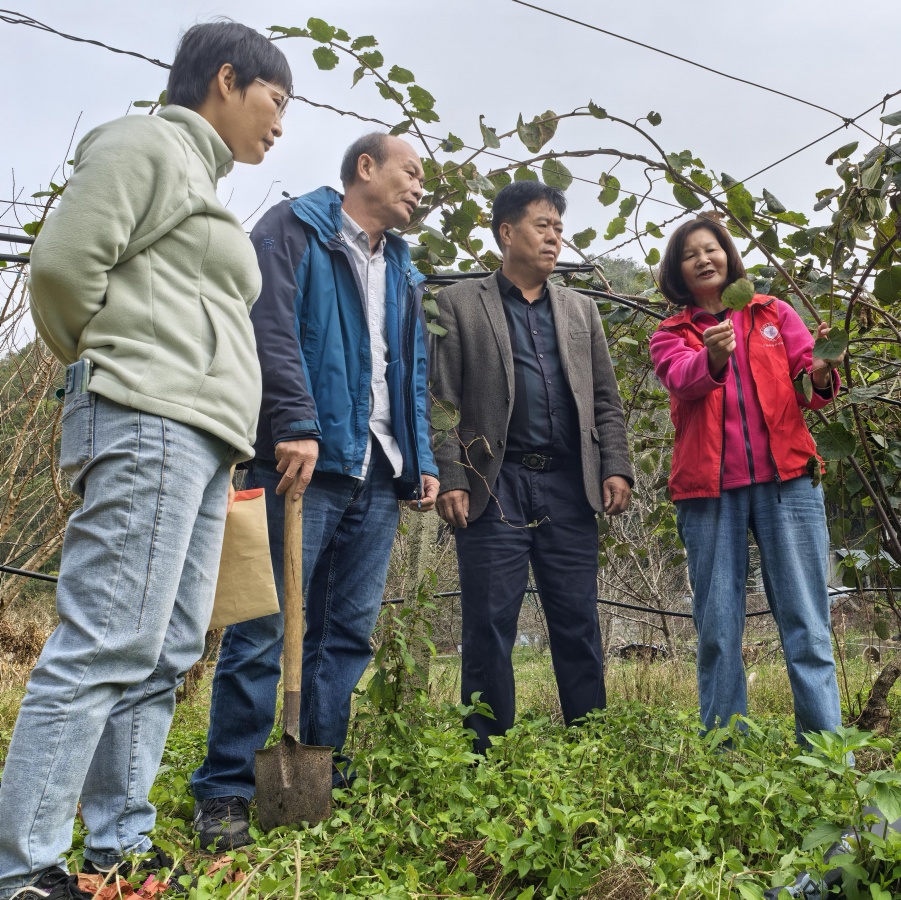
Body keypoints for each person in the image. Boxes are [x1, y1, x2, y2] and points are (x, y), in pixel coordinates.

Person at [0, 22, 291, 900]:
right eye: (275, 103)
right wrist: (110, 363)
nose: (280, 124)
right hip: (149, 416)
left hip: (200, 436)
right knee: (105, 641)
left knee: (164, 649)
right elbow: (59, 269)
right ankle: (23, 867)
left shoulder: (200, 184)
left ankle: (116, 845)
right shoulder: (144, 144)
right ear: (228, 80)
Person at [189, 133, 440, 849]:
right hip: (304, 459)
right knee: (264, 626)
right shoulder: (293, 229)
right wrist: (294, 421)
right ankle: (227, 788)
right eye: (411, 172)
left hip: (377, 467)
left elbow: (406, 370)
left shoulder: (403, 268)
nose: (420, 188)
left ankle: (316, 765)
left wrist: (419, 454)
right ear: (366, 167)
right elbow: (270, 331)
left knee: (347, 633)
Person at [430, 181, 634, 754]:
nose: (554, 237)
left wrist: (615, 465)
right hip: (494, 484)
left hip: (570, 483)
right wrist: (449, 476)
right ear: (506, 232)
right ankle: (484, 750)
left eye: (559, 229)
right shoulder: (460, 304)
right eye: (543, 226)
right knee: (489, 623)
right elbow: (439, 399)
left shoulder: (580, 310)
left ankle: (589, 740)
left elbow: (604, 398)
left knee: (577, 618)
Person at [648, 216, 845, 745]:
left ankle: (826, 756)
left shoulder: (773, 312)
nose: (704, 259)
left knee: (806, 622)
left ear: (728, 257)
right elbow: (682, 381)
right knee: (717, 629)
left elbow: (808, 382)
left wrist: (824, 372)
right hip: (708, 495)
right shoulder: (672, 333)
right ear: (679, 272)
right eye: (691, 255)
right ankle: (724, 756)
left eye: (712, 249)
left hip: (790, 485)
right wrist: (711, 356)